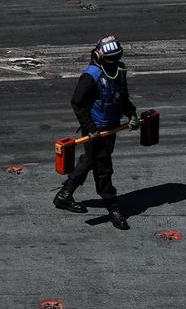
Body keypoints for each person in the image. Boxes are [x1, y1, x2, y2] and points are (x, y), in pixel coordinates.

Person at [53, 36, 139, 230]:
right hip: (96, 129)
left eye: (117, 58)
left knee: (90, 160)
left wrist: (131, 113)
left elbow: (121, 96)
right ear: (100, 56)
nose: (114, 63)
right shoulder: (90, 76)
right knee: (103, 167)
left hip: (111, 126)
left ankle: (64, 195)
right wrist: (90, 128)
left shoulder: (119, 70)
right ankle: (112, 206)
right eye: (110, 59)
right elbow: (77, 102)